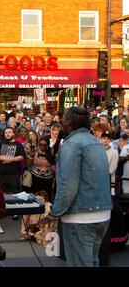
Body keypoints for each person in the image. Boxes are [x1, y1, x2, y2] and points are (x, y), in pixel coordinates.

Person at [40, 107, 112, 267]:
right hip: (103, 214)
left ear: (69, 122)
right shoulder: (96, 142)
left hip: (80, 217)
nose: (61, 123)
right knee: (93, 262)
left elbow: (68, 185)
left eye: (63, 120)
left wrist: (54, 213)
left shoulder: (72, 145)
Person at [0, 127, 26, 194]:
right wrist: (6, 159)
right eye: (6, 133)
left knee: (13, 196)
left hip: (14, 176)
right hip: (0, 175)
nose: (7, 134)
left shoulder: (18, 144)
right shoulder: (0, 143)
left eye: (9, 132)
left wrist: (11, 159)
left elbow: (22, 156)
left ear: (13, 134)